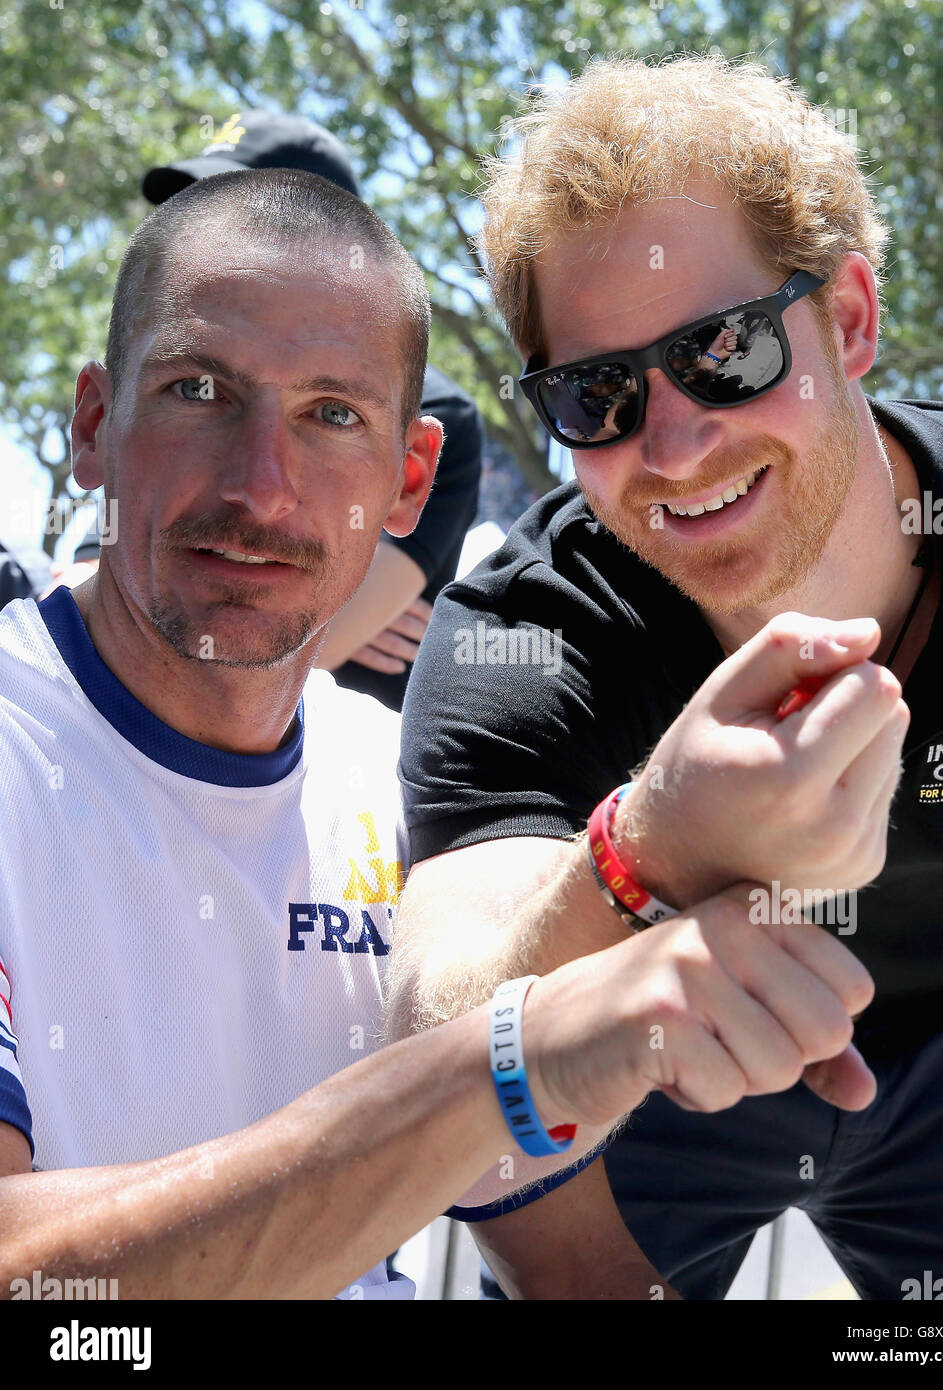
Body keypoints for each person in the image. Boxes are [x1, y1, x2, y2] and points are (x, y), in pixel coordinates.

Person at [0, 166, 891, 1300]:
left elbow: (573, 1268)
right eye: (198, 391)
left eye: (332, 416)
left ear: (412, 478)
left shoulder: (402, 789)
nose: (262, 487)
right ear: (92, 426)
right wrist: (505, 1061)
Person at [390, 53, 943, 1299]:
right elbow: (434, 1029)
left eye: (724, 351)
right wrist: (643, 851)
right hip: (667, 1070)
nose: (672, 445)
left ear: (848, 319)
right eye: (598, 393)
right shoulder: (530, 634)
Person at [143, 110, 482, 712]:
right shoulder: (147, 395)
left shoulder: (440, 414)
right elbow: (82, 592)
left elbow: (275, 649)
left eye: (332, 416)